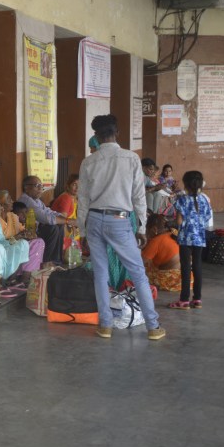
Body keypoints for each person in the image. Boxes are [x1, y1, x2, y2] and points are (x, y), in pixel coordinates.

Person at [77, 114, 166, 341]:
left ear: (96, 136)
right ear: (117, 132)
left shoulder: (88, 162)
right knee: (137, 273)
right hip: (120, 220)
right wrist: (142, 227)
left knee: (100, 273)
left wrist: (82, 232)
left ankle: (105, 325)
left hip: (95, 220)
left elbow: (83, 201)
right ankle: (153, 327)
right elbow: (139, 196)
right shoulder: (131, 158)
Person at [168, 171, 213, 310]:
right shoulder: (205, 199)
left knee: (186, 268)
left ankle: (184, 300)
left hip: (185, 239)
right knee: (198, 266)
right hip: (200, 238)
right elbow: (206, 219)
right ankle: (197, 299)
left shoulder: (181, 200)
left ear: (186, 184)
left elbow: (179, 221)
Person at [18, 175, 76, 264]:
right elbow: (45, 218)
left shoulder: (36, 200)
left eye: (41, 186)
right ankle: (46, 262)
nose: (40, 189)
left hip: (37, 229)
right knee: (52, 228)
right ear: (26, 188)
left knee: (59, 225)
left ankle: (56, 260)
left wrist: (66, 220)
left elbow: (49, 212)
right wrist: (68, 221)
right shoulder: (26, 200)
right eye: (37, 186)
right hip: (28, 232)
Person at [0, 191, 45, 285]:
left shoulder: (13, 216)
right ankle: (21, 277)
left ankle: (26, 276)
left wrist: (28, 234)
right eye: (9, 199)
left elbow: (22, 232)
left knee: (38, 242)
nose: (12, 201)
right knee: (20, 245)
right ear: (0, 204)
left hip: (18, 249)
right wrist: (18, 237)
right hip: (5, 253)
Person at [141, 215, 183, 292]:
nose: (146, 234)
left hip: (168, 280)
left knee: (144, 265)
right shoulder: (174, 233)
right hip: (185, 279)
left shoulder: (156, 240)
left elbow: (141, 262)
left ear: (154, 229)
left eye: (146, 231)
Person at [51, 174, 82, 258]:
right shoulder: (66, 198)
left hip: (71, 238)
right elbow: (62, 221)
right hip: (64, 238)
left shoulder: (74, 198)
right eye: (74, 184)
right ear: (68, 185)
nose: (77, 188)